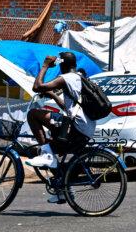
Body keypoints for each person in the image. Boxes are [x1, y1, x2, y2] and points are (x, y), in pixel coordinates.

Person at [24, 52, 96, 204]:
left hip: (76, 127)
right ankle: (62, 190)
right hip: (86, 128)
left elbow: (37, 86)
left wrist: (45, 66)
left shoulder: (66, 78)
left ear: (62, 64)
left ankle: (46, 154)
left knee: (33, 114)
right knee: (52, 147)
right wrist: (54, 96)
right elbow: (69, 106)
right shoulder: (80, 78)